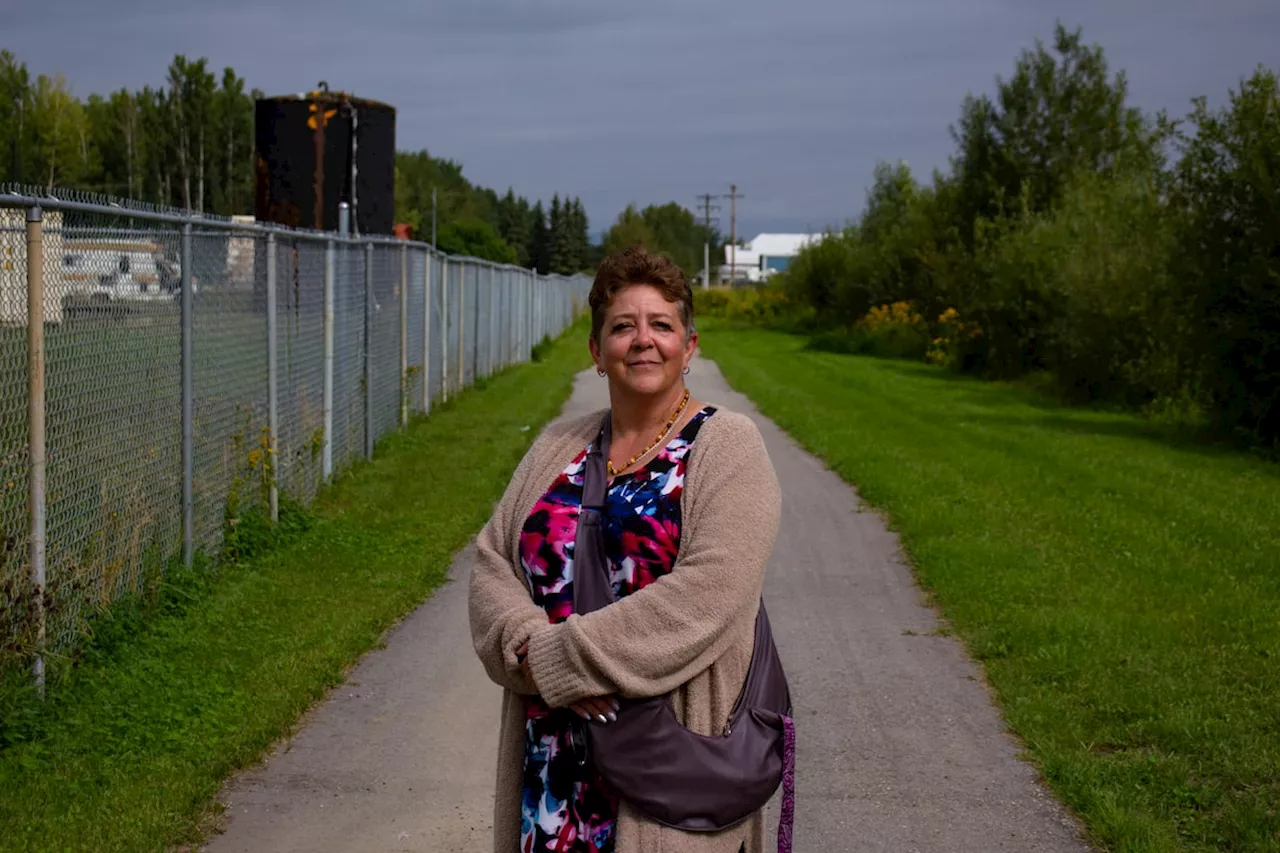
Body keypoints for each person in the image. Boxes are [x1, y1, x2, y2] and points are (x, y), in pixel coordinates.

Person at [468, 245, 782, 853]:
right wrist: (532, 650)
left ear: (688, 348)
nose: (643, 340)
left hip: (666, 774)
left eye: (661, 325)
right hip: (554, 776)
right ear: (596, 351)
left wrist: (566, 659)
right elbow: (492, 564)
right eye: (622, 326)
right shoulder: (560, 443)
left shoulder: (727, 447)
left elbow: (710, 596)